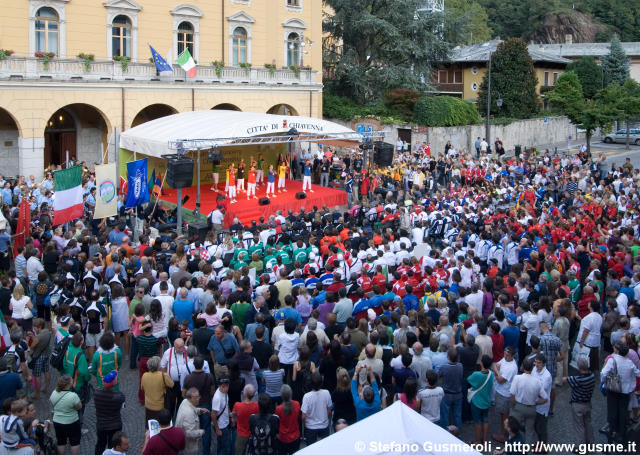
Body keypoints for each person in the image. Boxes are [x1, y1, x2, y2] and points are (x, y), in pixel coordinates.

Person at [601, 340, 640, 442]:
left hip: (613, 389)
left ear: (617, 351)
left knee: (612, 411)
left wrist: (604, 382)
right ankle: (621, 433)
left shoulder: (612, 360)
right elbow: (637, 373)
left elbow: (603, 373)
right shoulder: (629, 362)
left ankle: (611, 431)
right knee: (622, 412)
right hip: (625, 391)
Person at [509, 358, 548, 444]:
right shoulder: (537, 381)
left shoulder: (517, 378)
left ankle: (513, 449)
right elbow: (545, 398)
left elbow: (512, 394)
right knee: (529, 432)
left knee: (513, 429)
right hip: (531, 408)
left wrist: (513, 405)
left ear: (522, 367)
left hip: (519, 407)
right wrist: (536, 403)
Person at [562, 356, 595, 446]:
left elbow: (565, 380)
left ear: (579, 367)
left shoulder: (578, 380)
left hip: (578, 405)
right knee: (588, 424)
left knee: (579, 427)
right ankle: (590, 442)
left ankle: (580, 447)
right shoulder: (592, 376)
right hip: (587, 403)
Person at [93, 371, 126, 455]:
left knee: (100, 444)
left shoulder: (96, 394)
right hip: (115, 425)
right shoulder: (119, 396)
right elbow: (122, 406)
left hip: (101, 425)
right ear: (114, 384)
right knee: (113, 446)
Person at [50, 375, 82, 455]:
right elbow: (79, 407)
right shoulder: (73, 396)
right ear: (68, 384)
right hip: (72, 422)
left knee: (61, 441)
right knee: (74, 442)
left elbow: (53, 403)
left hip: (58, 421)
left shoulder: (54, 393)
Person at [467, 355, 493, 444]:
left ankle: (478, 440)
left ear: (481, 363)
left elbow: (469, 379)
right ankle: (484, 440)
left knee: (477, 421)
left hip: (477, 401)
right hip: (486, 400)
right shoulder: (491, 374)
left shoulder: (476, 374)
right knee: (485, 419)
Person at [301, 372, 332, 444]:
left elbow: (303, 416)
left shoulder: (306, 396)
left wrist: (305, 425)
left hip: (310, 427)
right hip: (324, 425)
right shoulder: (326, 393)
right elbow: (329, 410)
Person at [141, 356, 174, 421]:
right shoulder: (163, 375)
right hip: (160, 406)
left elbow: (142, 388)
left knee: (150, 425)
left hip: (148, 406)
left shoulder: (144, 375)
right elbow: (172, 384)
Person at [438, 347, 463, 432]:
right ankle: (458, 434)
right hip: (458, 394)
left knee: (445, 415)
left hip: (447, 394)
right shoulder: (460, 366)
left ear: (448, 357)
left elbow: (438, 375)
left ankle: (444, 433)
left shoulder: (444, 367)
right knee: (457, 415)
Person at [175, 387, 205, 455]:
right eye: (196, 397)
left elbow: (192, 408)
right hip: (189, 447)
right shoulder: (189, 413)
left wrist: (199, 410)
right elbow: (189, 433)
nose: (198, 399)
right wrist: (201, 432)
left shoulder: (185, 401)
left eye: (198, 396)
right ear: (190, 398)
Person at [231, 384, 258, 455]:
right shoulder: (257, 406)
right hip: (253, 434)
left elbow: (234, 419)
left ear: (244, 394)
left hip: (241, 434)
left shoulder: (237, 405)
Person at [212, 375, 232, 455]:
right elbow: (213, 414)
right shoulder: (217, 398)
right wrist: (217, 429)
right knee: (226, 448)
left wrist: (230, 417)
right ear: (219, 386)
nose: (225, 388)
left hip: (225, 423)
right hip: (221, 426)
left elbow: (226, 406)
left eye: (227, 386)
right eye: (223, 386)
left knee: (221, 446)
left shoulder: (225, 393)